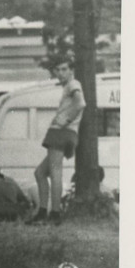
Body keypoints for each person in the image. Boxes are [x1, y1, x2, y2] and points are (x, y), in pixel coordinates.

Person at [29, 57, 86, 226]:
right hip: (62, 132)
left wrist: (66, 120)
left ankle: (55, 213)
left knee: (55, 172)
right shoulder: (69, 86)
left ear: (71, 71)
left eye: (64, 69)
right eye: (57, 70)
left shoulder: (73, 84)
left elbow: (80, 103)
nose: (60, 73)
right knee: (40, 173)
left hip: (61, 132)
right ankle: (42, 211)